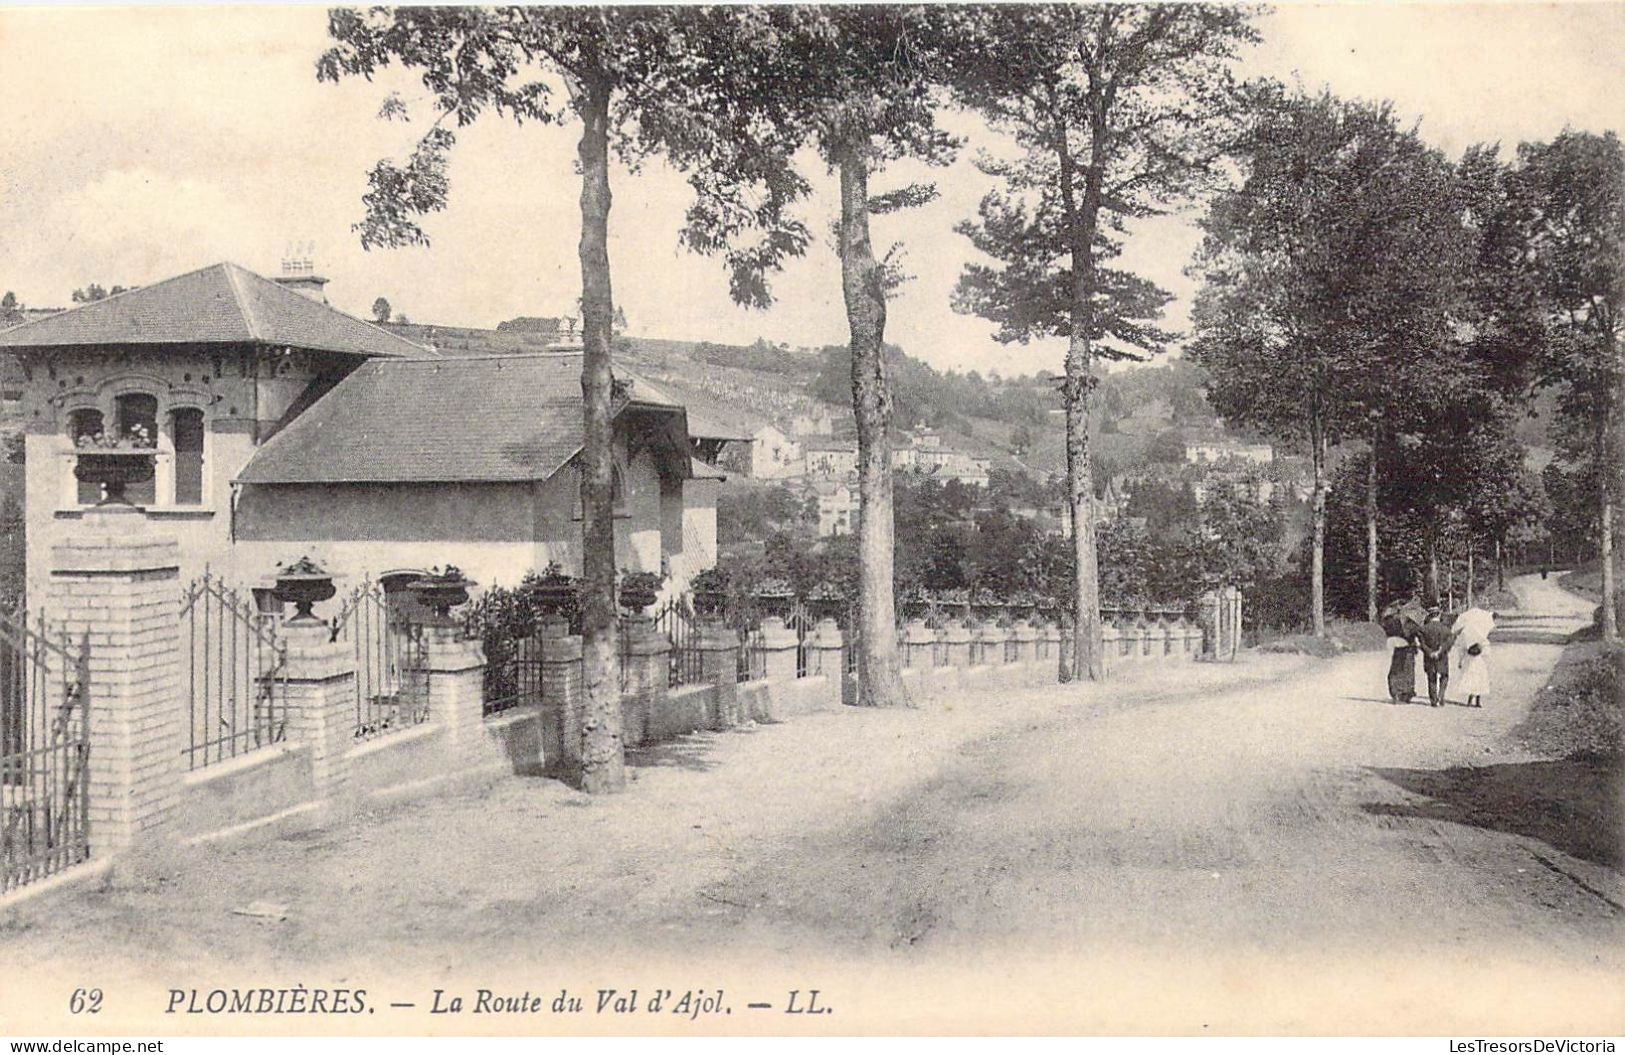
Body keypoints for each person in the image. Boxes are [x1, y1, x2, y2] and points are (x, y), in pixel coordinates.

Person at [1380, 601, 1420, 704]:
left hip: (1397, 648)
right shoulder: (1408, 622)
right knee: (1408, 671)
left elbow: (1387, 632)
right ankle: (1407, 693)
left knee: (1396, 670)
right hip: (1408, 648)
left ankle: (1396, 692)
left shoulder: (1389, 621)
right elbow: (1415, 633)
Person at [1417, 606, 1456, 707]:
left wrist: (1430, 652)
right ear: (1439, 614)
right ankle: (1441, 696)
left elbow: (1422, 644)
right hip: (1442, 656)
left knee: (1431, 677)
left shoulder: (1423, 629)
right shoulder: (1446, 629)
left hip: (1429, 657)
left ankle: (1433, 700)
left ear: (1429, 615)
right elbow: (1449, 643)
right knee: (1444, 675)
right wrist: (1440, 651)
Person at [1455, 611, 1495, 708]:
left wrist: (1460, 661)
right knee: (1479, 678)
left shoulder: (1465, 636)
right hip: (1478, 660)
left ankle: (1470, 700)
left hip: (1469, 660)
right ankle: (1477, 701)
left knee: (1471, 678)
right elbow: (1486, 652)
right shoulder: (1482, 637)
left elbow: (1462, 650)